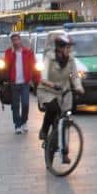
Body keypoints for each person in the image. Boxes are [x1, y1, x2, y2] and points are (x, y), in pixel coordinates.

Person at [37, 35, 84, 163]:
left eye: (70, 47)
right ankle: (44, 130)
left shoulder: (71, 59)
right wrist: (52, 85)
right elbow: (43, 77)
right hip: (47, 90)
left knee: (65, 122)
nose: (69, 50)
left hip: (64, 92)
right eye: (67, 47)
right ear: (59, 48)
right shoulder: (49, 58)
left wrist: (79, 87)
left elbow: (74, 76)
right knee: (52, 109)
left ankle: (64, 152)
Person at [4, 33, 39, 134]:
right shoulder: (9, 52)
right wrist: (12, 53)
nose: (15, 42)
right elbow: (7, 66)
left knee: (25, 104)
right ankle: (17, 125)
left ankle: (24, 121)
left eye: (17, 40)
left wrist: (36, 80)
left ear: (20, 40)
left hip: (25, 82)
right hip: (14, 82)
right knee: (15, 105)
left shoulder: (27, 52)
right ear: (12, 42)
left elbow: (33, 65)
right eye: (13, 40)